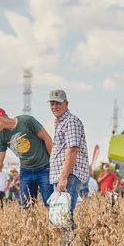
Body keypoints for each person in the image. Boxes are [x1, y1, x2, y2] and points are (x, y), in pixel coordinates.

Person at [0, 107, 53, 208]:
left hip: (44, 168)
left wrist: (53, 164)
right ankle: (32, 224)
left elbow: (47, 139)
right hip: (26, 172)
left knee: (50, 204)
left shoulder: (26, 121)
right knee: (27, 207)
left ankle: (53, 224)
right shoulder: (1, 137)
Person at [48, 89, 89, 236]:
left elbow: (72, 150)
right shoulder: (60, 122)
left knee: (65, 216)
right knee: (59, 217)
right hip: (62, 175)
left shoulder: (71, 121)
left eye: (58, 103)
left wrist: (63, 178)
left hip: (68, 175)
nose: (54, 107)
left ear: (66, 104)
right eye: (52, 103)